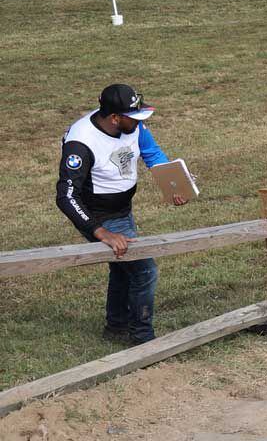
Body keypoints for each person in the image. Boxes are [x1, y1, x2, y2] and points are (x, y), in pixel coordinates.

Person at [56, 84, 188, 345]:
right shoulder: (80, 143)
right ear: (115, 118)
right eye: (134, 117)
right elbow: (67, 196)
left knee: (122, 269)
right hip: (96, 214)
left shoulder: (131, 125)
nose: (140, 123)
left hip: (122, 209)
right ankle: (143, 339)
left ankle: (116, 327)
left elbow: (151, 152)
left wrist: (172, 182)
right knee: (143, 271)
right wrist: (100, 231)